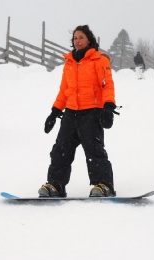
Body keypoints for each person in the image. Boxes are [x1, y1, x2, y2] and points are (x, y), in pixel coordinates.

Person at [39, 25, 118, 198]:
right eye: (75, 38)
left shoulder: (99, 60)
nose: (78, 41)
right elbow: (64, 90)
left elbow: (107, 85)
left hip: (92, 112)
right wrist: (54, 111)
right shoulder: (69, 63)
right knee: (60, 150)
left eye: (81, 37)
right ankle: (56, 184)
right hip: (70, 113)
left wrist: (108, 106)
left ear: (89, 39)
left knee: (94, 150)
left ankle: (103, 184)